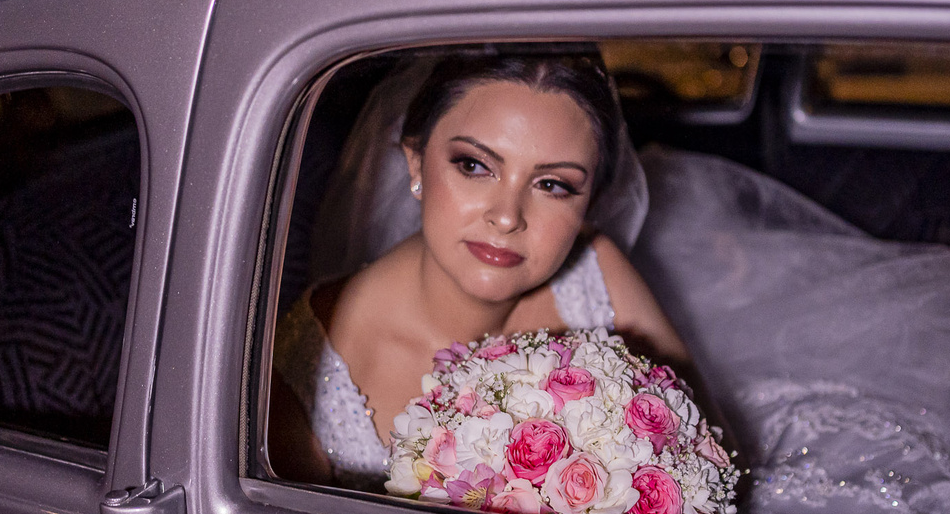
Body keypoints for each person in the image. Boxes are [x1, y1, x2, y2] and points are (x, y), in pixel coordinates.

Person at [272, 52, 690, 488]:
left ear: (590, 203)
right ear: (415, 161)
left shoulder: (598, 273)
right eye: (474, 165)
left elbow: (707, 474)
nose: (507, 217)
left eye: (552, 185)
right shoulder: (306, 367)